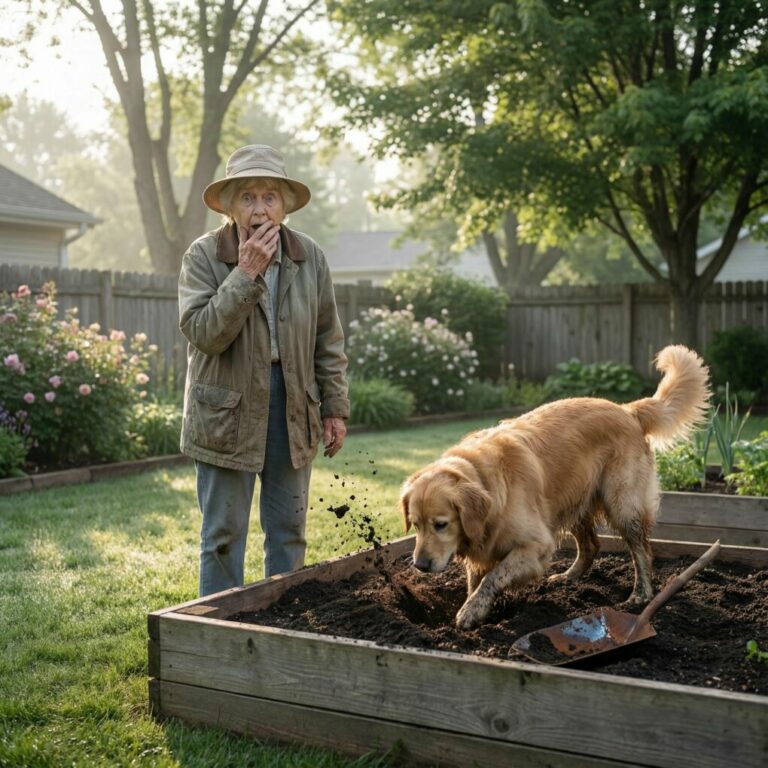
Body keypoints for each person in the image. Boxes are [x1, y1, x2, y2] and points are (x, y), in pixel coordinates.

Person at [178, 144, 349, 596]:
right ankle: (216, 635)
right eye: (248, 197)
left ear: (285, 206)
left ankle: (283, 629)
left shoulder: (309, 257)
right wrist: (245, 272)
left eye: (269, 197)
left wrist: (334, 408)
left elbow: (327, 339)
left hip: (293, 406)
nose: (259, 209)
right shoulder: (204, 256)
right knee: (222, 537)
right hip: (226, 409)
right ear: (231, 206)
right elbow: (203, 333)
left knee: (289, 532)